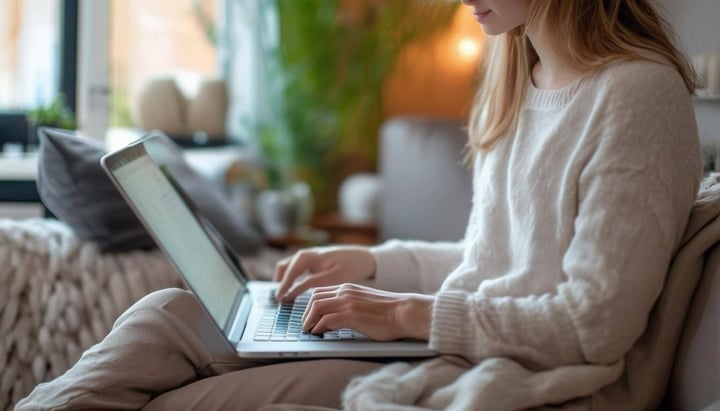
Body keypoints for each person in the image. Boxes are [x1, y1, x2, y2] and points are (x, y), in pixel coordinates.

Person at [17, 0, 702, 409]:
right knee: (169, 310)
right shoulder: (521, 76)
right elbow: (491, 261)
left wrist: (405, 313)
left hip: (518, 366)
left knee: (174, 399)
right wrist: (370, 264)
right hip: (462, 334)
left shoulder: (636, 95)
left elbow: (593, 326)